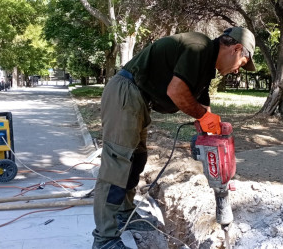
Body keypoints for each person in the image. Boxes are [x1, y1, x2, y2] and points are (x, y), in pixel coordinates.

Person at [91, 27, 256, 249]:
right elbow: (176, 91)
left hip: (139, 99)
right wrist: (203, 116)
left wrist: (211, 131)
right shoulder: (199, 46)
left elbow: (202, 103)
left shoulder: (206, 64)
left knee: (136, 160)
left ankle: (124, 214)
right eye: (242, 63)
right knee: (117, 165)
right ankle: (104, 239)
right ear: (236, 49)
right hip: (126, 92)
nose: (238, 71)